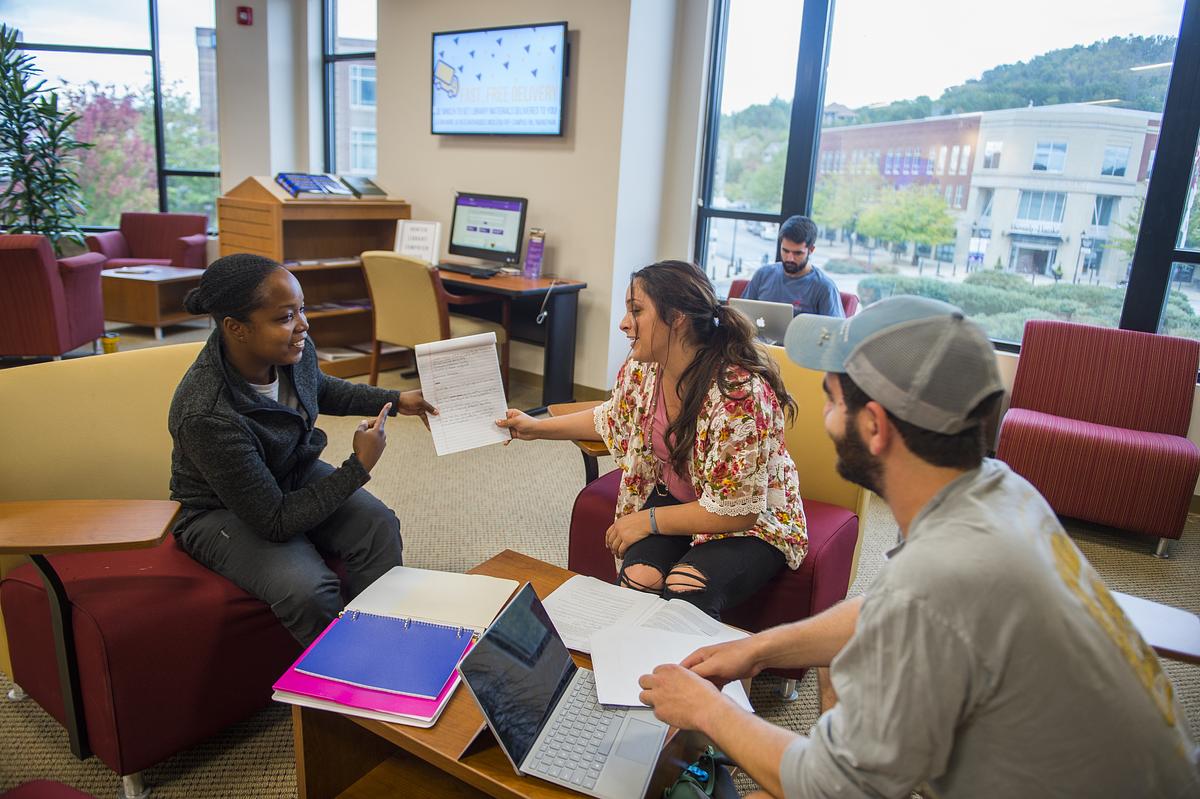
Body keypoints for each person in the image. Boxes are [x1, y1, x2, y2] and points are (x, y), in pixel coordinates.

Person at [637, 296, 1199, 798]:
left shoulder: (940, 581)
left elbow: (833, 787)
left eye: (831, 401)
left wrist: (707, 710)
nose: (826, 419)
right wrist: (756, 651)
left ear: (875, 427)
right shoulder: (999, 490)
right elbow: (890, 611)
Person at [498, 260, 808, 619]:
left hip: (749, 521)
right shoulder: (643, 368)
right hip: (680, 499)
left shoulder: (739, 395)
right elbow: (613, 418)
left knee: (684, 588)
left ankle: (689, 673)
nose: (624, 323)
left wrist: (646, 521)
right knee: (638, 579)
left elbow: (735, 511)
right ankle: (623, 666)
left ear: (676, 317)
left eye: (637, 310)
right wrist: (533, 428)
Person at [168, 253, 437, 646]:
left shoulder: (293, 351)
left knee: (379, 525)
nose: (303, 325)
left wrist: (398, 400)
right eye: (284, 317)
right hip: (216, 510)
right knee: (309, 589)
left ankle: (383, 642)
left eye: (301, 310)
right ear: (235, 328)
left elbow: (322, 388)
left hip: (287, 470)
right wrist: (358, 465)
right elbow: (274, 520)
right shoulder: (207, 413)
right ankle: (340, 677)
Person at [743, 215, 844, 318]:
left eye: (797, 253)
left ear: (811, 250)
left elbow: (835, 330)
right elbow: (741, 315)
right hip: (759, 334)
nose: (789, 258)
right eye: (785, 251)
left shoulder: (824, 287)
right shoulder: (762, 275)